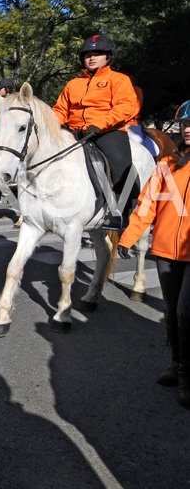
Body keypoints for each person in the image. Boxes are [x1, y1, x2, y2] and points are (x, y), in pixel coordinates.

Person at [119, 100, 190, 409]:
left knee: (187, 314)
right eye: (185, 123)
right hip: (165, 250)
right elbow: (148, 203)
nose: (187, 128)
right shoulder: (167, 164)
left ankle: (188, 375)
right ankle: (176, 364)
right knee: (172, 313)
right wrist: (129, 237)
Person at [52, 34, 140, 229]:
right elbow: (60, 110)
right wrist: (49, 124)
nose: (91, 58)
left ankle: (120, 211)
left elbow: (126, 106)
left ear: (108, 57)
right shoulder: (73, 84)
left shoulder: (118, 79)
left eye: (97, 54)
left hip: (107, 131)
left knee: (120, 165)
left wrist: (100, 123)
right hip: (74, 131)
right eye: (88, 55)